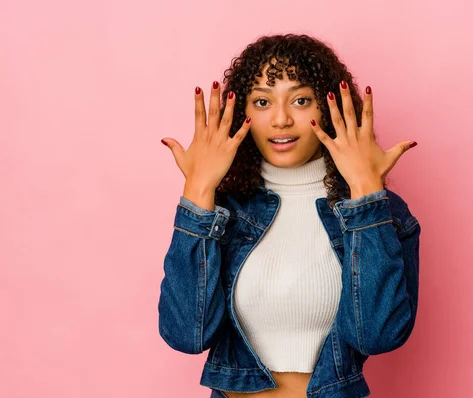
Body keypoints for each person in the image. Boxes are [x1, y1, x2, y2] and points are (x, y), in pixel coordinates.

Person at [158, 33, 421, 398]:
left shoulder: (382, 213)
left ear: (328, 110)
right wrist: (199, 192)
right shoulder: (224, 212)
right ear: (242, 114)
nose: (280, 120)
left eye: (300, 100)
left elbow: (376, 335)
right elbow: (187, 335)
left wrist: (365, 193)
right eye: (262, 101)